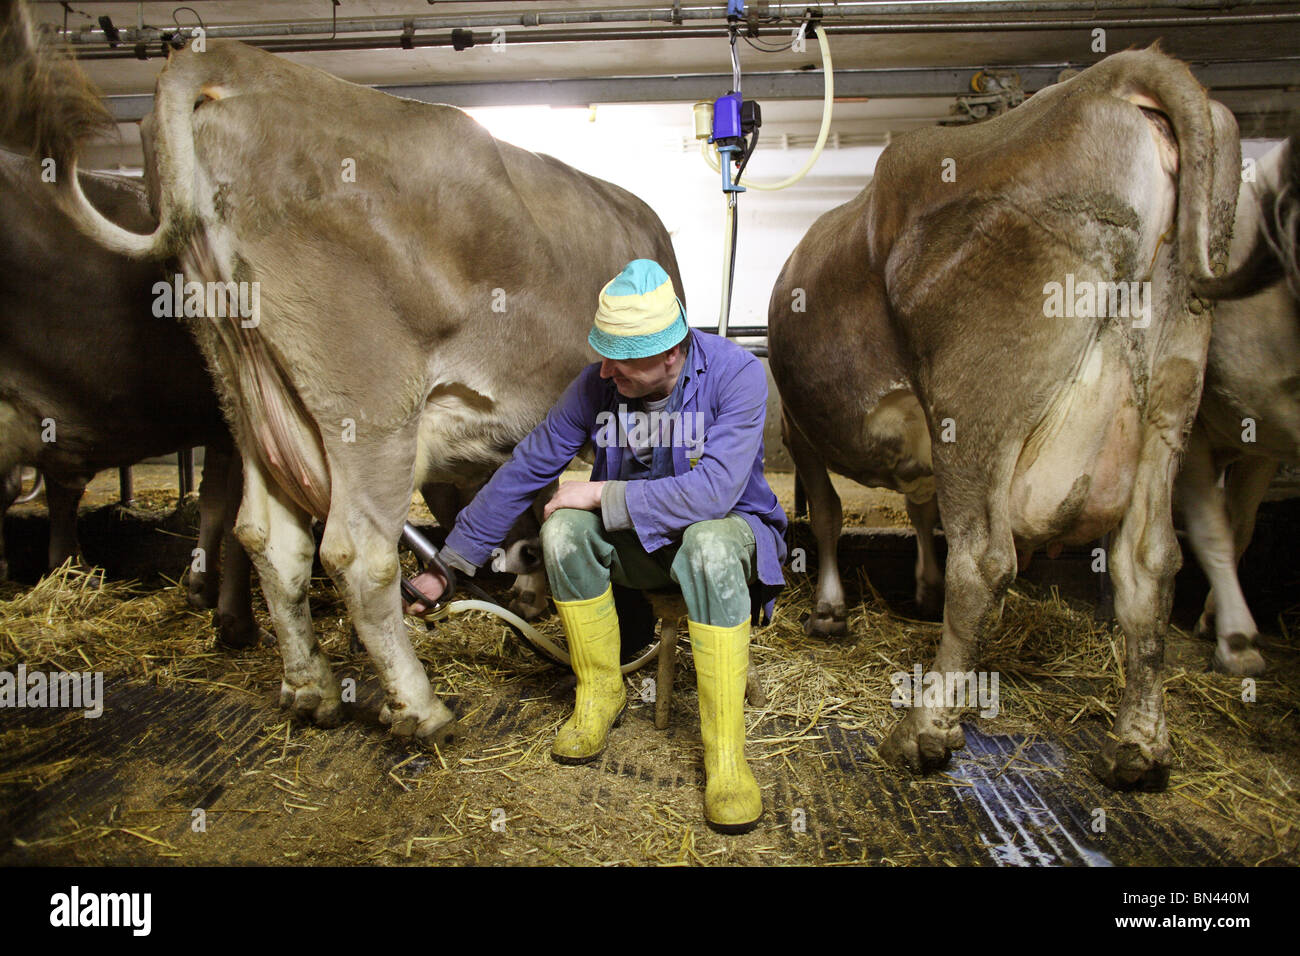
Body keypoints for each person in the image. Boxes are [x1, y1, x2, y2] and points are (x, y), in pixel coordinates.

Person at [407, 258, 786, 833]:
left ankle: (727, 758)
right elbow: (528, 467)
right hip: (642, 545)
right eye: (603, 354)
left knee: (707, 543)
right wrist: (449, 564)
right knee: (559, 530)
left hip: (724, 543)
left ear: (671, 353)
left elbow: (715, 492)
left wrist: (603, 493)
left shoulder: (738, 375)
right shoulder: (597, 384)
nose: (605, 372)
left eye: (621, 361)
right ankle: (600, 693)